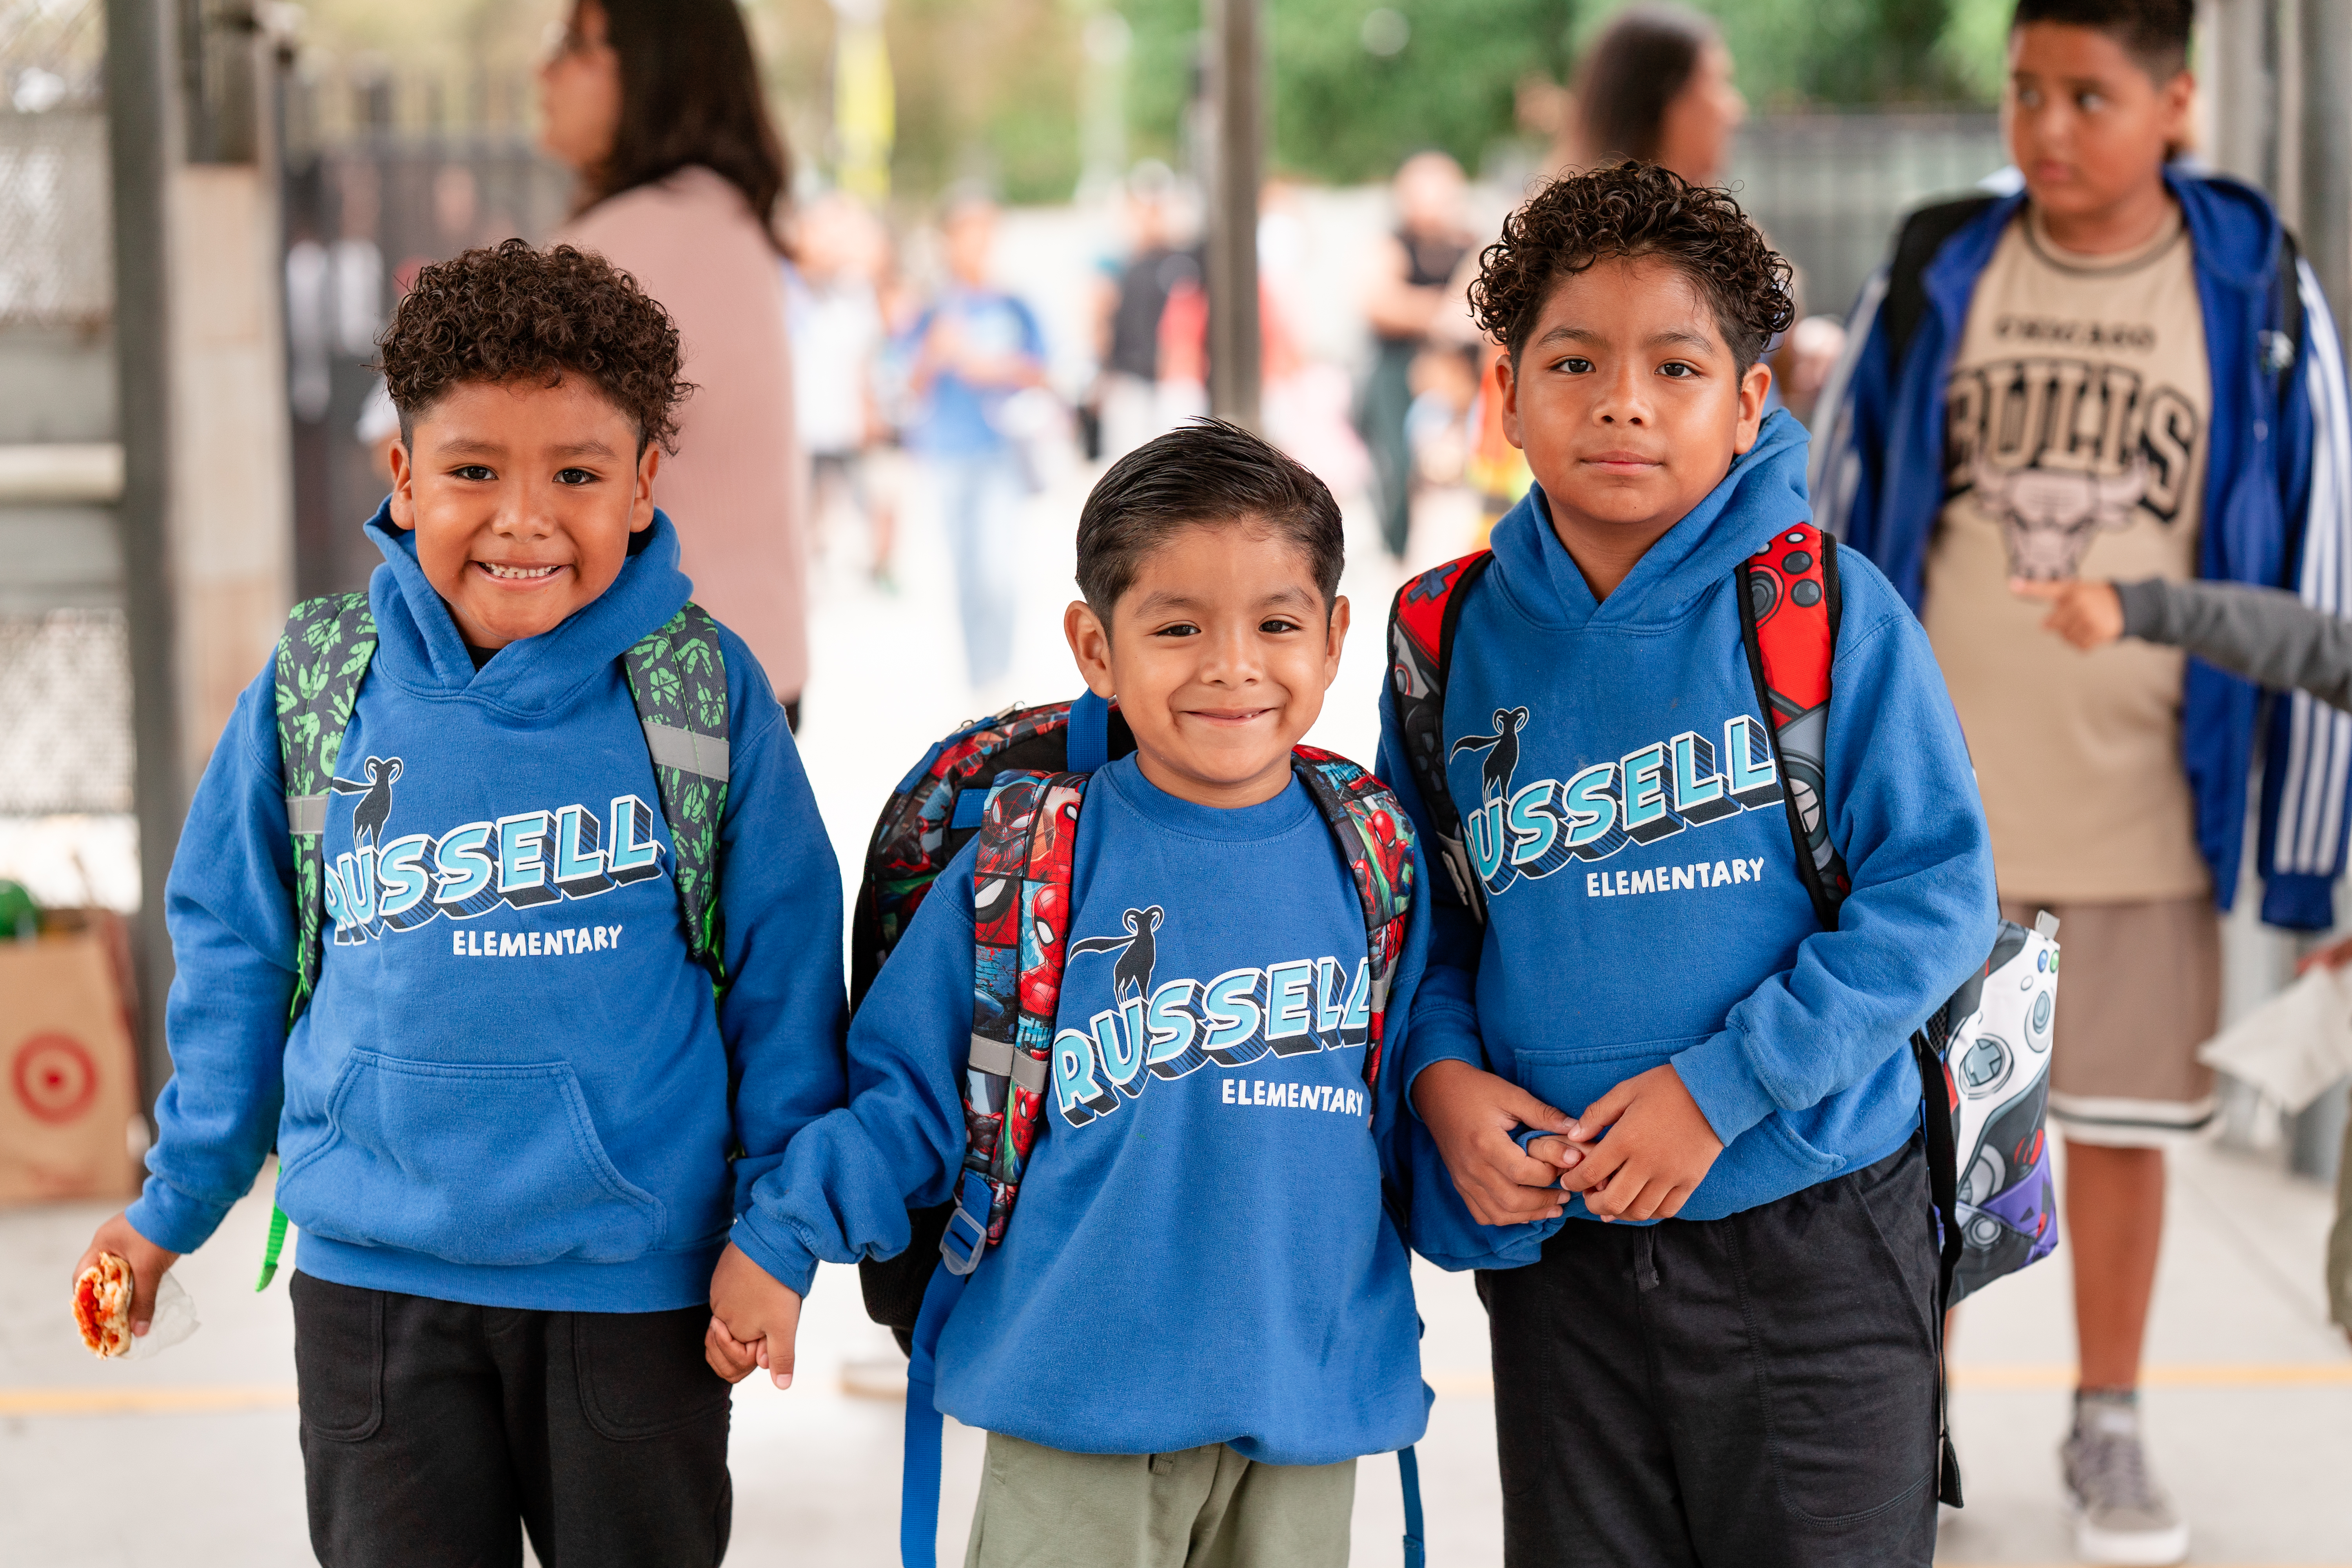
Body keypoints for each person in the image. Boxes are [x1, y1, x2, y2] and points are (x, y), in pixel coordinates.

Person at [72, 242, 848, 1564]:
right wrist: (173, 1205)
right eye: (474, 471)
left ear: (647, 484)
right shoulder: (319, 686)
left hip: (637, 1292)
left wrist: (777, 1239)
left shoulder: (702, 695)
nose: (523, 519)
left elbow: (785, 989)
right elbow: (237, 957)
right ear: (404, 475)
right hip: (376, 1287)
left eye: (578, 476)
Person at [1388, 163, 1996, 1567]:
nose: (1620, 401)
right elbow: (1429, 926)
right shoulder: (1443, 641)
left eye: (1673, 365)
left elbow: (1935, 898)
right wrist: (1442, 1080)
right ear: (1503, 396)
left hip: (1814, 1237)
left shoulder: (1826, 613)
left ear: (1747, 404)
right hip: (1563, 1261)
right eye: (1573, 361)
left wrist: (1717, 1092)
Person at [1812, 0, 2352, 1557]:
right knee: (1913, 1136)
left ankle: (2107, 1414)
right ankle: (1911, 1412)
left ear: (2177, 101)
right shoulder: (1937, 267)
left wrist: (2314, 844)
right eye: (2025, 90)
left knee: (2117, 1131)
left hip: (2142, 804)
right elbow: (1845, 518)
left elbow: (2317, 564)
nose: (2048, 127)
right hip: (1936, 812)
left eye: (2091, 96)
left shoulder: (2253, 292)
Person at [704, 422, 1433, 1568]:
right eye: (1177, 626)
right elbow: (910, 1103)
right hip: (1073, 1403)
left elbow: (1404, 1097)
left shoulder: (1372, 851)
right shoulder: (1024, 864)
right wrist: (784, 1236)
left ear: (1335, 636)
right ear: (1095, 647)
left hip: (1310, 1398)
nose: (1232, 664)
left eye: (1276, 623)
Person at [540, 0, 810, 724]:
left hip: (663, 685)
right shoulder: (717, 216)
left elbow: (515, 451)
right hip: (739, 664)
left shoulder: (638, 241)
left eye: (574, 44)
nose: (547, 70)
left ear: (654, 67)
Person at [901, 191, 1048, 695]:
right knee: (966, 571)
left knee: (999, 568)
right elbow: (905, 386)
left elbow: (1045, 372)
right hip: (948, 452)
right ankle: (980, 677)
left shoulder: (1014, 304)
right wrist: (934, 352)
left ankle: (1002, 672)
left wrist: (995, 368)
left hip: (1001, 450)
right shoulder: (932, 308)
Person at [1359, 151, 1477, 561]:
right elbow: (1379, 301)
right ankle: (1400, 553)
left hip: (1461, 376)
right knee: (1399, 464)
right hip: (1398, 370)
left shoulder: (1469, 246)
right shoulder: (1394, 245)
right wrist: (1440, 313)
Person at [787, 191, 897, 587]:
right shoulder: (783, 286)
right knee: (802, 510)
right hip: (800, 427)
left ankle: (880, 569)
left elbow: (865, 358)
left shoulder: (854, 290)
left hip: (846, 423)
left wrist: (870, 412)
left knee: (873, 496)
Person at [1090, 161, 1198, 462]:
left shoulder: (1186, 260)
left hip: (1174, 383)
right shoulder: (1115, 264)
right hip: (1129, 380)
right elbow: (1100, 324)